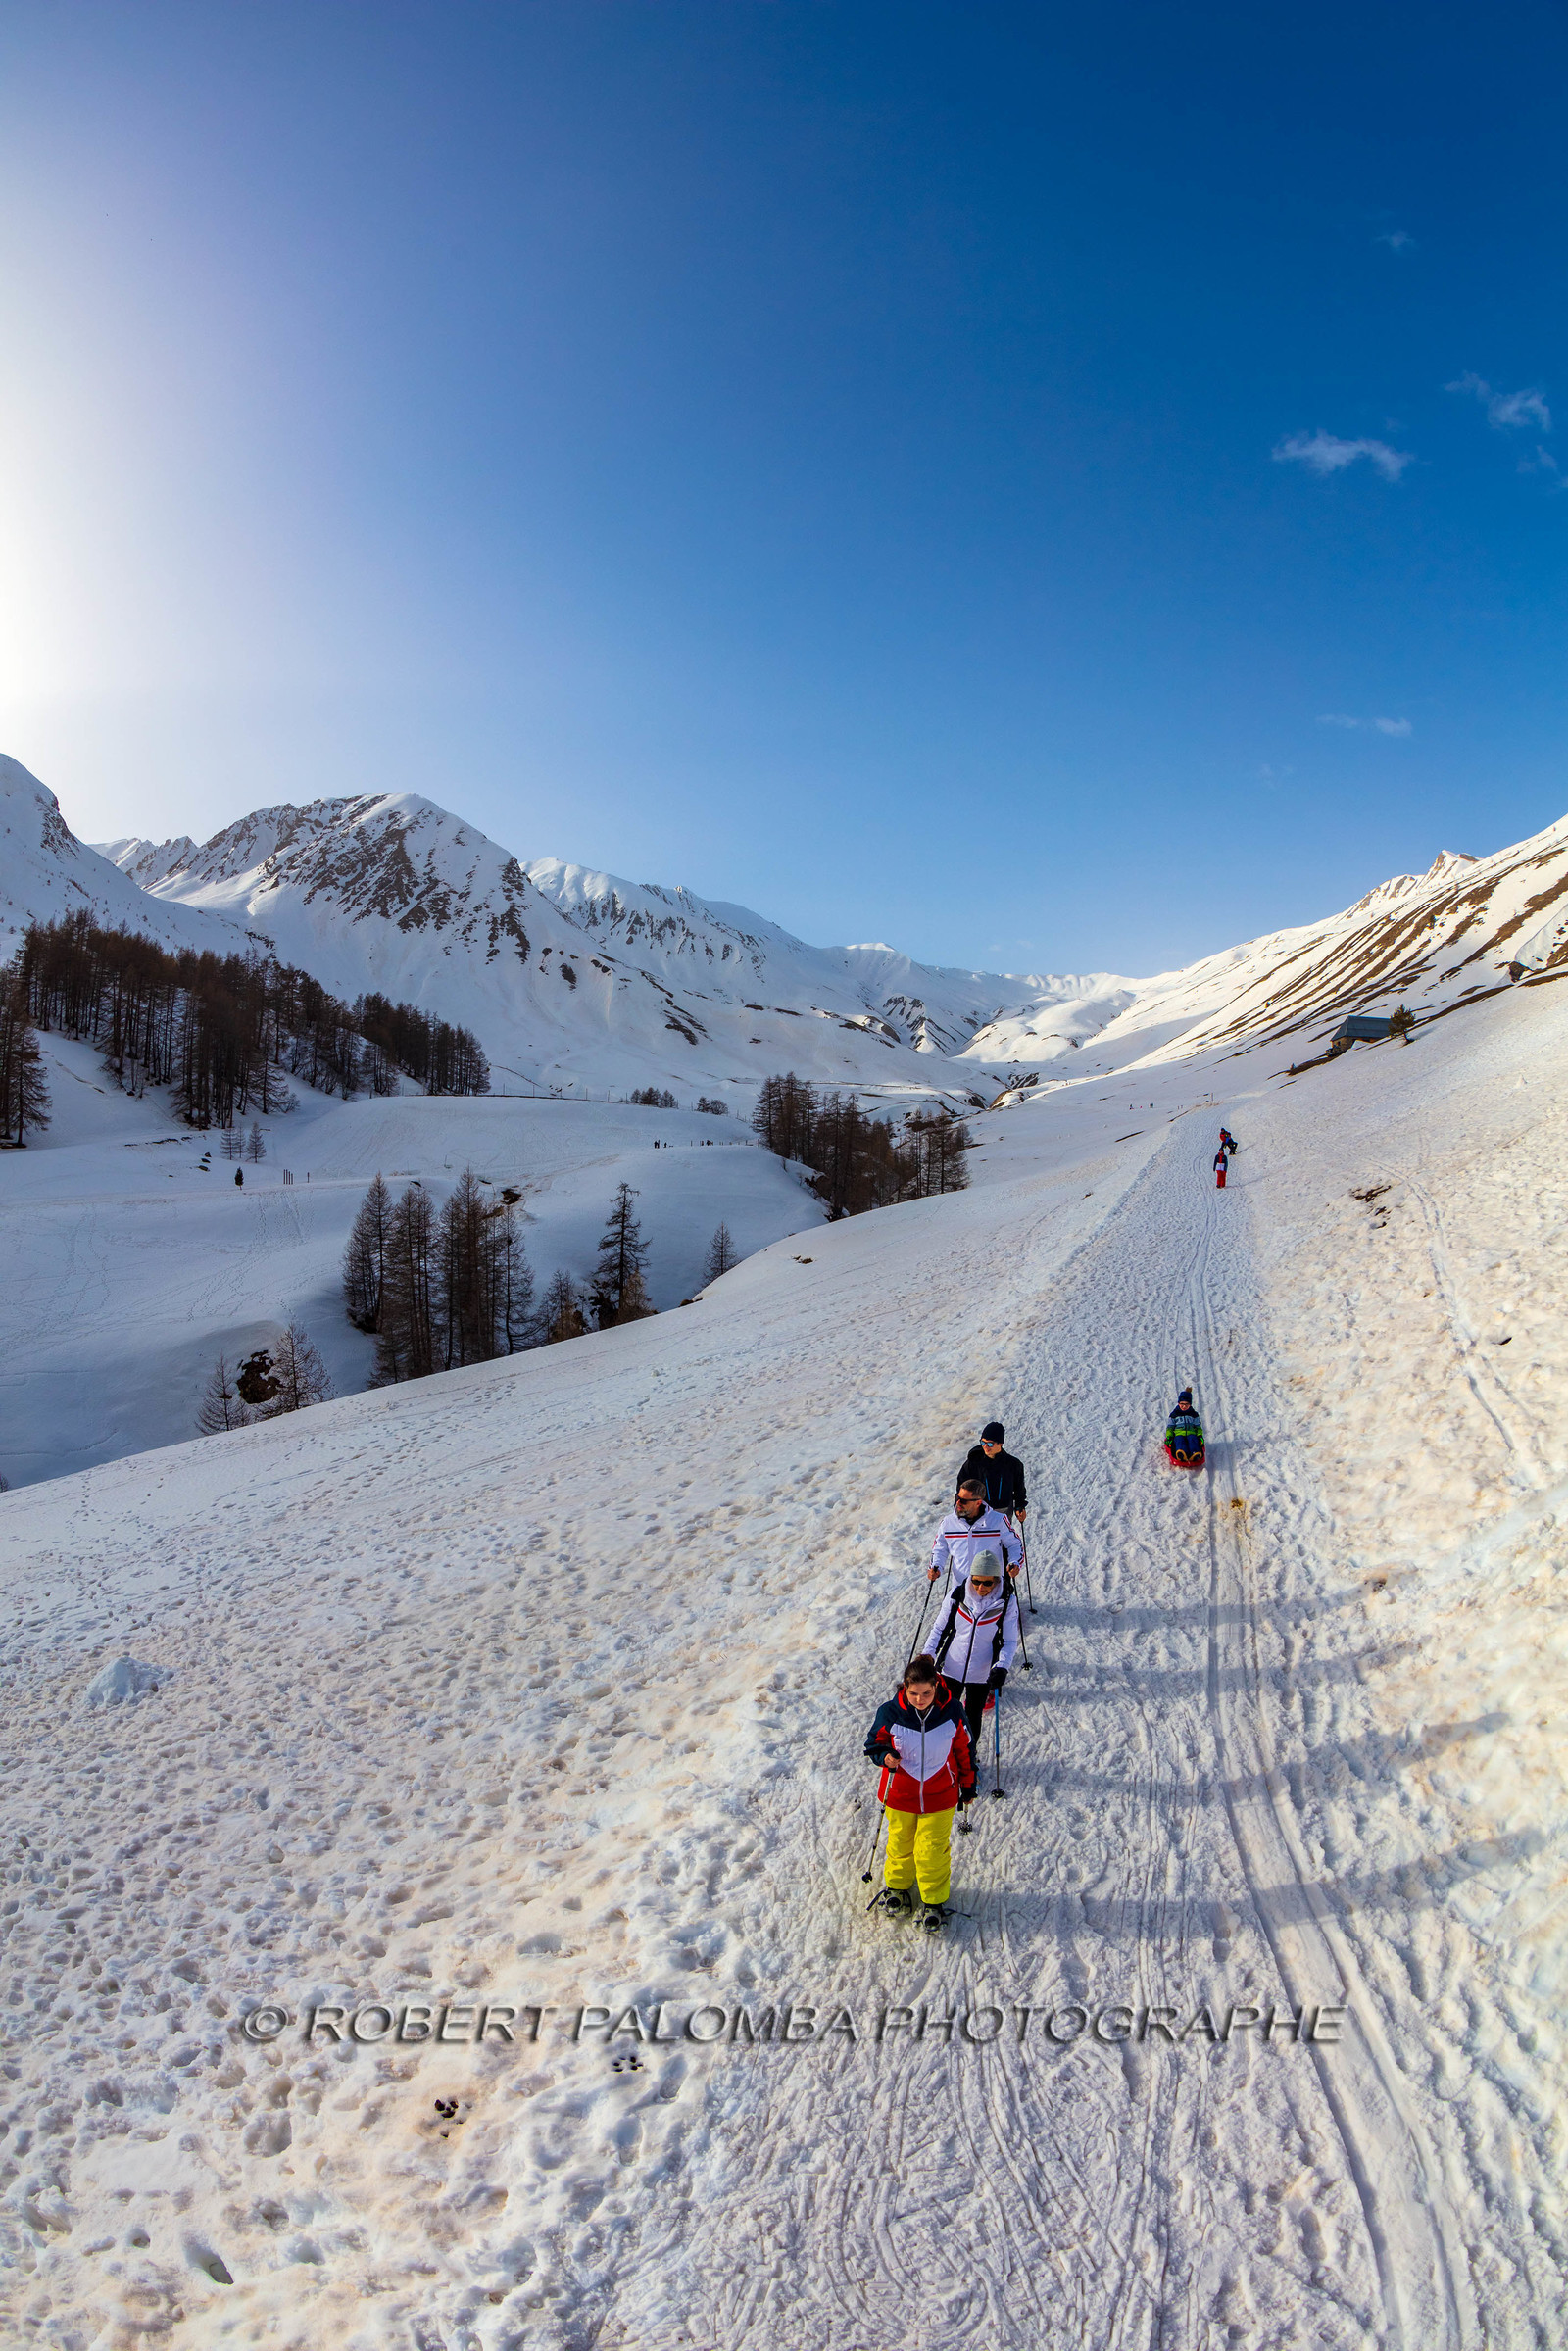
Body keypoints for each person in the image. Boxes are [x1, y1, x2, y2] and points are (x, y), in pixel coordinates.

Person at [863, 1653, 975, 1931]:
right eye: (914, 1693)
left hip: (941, 1795)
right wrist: (885, 1756)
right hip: (900, 1794)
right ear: (905, 1687)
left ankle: (933, 1900)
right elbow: (874, 1744)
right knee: (900, 1843)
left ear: (936, 1686)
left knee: (932, 1850)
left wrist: (969, 1784)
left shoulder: (952, 1712)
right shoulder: (890, 1712)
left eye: (926, 1693)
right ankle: (898, 1889)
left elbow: (965, 1749)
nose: (920, 1699)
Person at [928, 1550, 1020, 1749]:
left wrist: (1002, 1667)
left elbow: (1009, 1640)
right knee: (944, 1713)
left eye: (988, 1582)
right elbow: (939, 1629)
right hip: (951, 1667)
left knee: (972, 1716)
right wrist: (928, 1655)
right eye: (977, 1581)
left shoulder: (1007, 1602)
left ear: (996, 1579)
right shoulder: (958, 1595)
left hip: (982, 1671)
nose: (981, 1587)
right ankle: (944, 1757)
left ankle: (969, 1758)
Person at [928, 1477, 1023, 1590]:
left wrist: (1014, 1562)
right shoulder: (948, 1523)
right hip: (961, 1588)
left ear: (978, 1502)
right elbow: (940, 1548)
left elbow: (1014, 1544)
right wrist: (936, 1567)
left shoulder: (997, 1520)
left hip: (990, 1587)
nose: (958, 1502)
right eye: (957, 1498)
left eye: (963, 1500)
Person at [956, 1422, 1027, 1522]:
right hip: (978, 1511)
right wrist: (959, 1503)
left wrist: (1020, 1506)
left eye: (990, 1444)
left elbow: (1019, 1490)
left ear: (1000, 1443)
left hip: (1003, 1512)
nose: (985, 1447)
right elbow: (961, 1485)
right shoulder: (973, 1463)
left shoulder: (1013, 1464)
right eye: (983, 1443)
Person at [1164, 1386, 1204, 1469]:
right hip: (1178, 1433)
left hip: (1191, 1433)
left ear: (1190, 1404)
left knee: (1192, 1439)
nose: (1184, 1406)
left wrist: (1200, 1435)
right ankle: (1181, 1454)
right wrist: (1169, 1436)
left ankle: (1195, 1453)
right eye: (1182, 1404)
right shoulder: (1174, 1415)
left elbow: (1198, 1427)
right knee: (1179, 1441)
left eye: (1186, 1404)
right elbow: (1170, 1427)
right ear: (1178, 1403)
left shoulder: (1194, 1415)